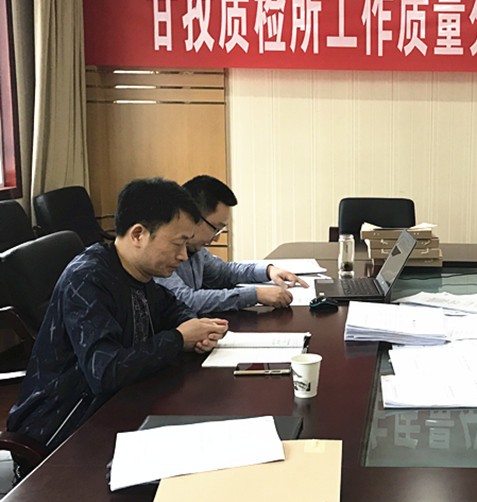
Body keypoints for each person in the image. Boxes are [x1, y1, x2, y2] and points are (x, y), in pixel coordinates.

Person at [7, 178, 229, 458]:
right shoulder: (88, 279)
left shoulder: (138, 273)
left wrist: (194, 328)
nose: (184, 256)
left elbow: (173, 308)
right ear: (138, 234)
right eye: (178, 243)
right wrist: (179, 339)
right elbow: (106, 371)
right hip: (62, 430)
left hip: (115, 407)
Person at [155, 175, 307, 314]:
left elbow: (223, 272)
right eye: (215, 228)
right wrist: (255, 295)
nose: (216, 238)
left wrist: (268, 271)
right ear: (193, 217)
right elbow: (185, 300)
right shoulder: (161, 255)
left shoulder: (196, 250)